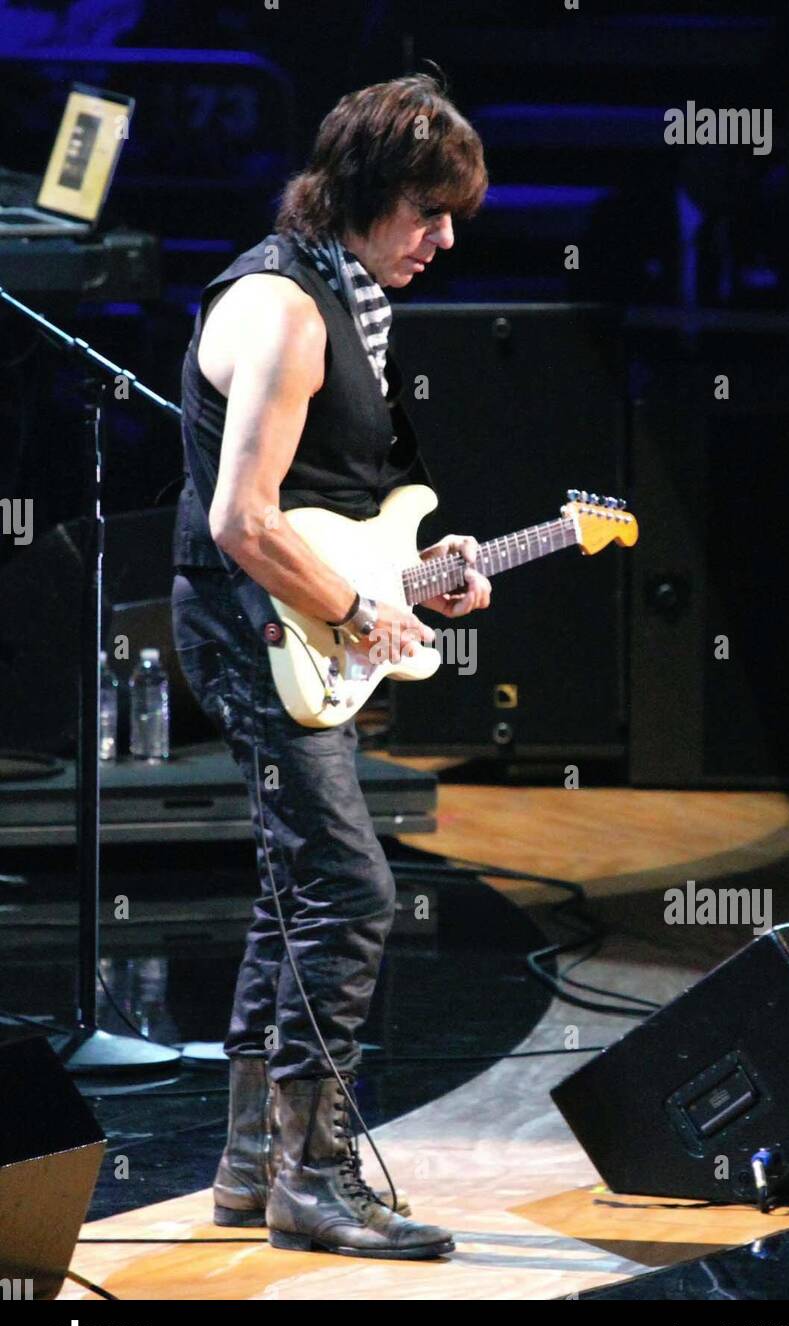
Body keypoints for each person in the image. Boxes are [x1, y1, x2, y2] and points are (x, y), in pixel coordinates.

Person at [171, 73, 490, 1259]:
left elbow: (327, 503)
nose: (444, 238)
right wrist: (363, 611)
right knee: (353, 890)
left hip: (297, 618)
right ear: (364, 195)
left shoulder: (347, 294)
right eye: (427, 210)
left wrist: (423, 567)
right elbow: (241, 522)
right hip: (252, 626)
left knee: (299, 889)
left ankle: (253, 1167)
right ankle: (313, 1173)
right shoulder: (285, 308)